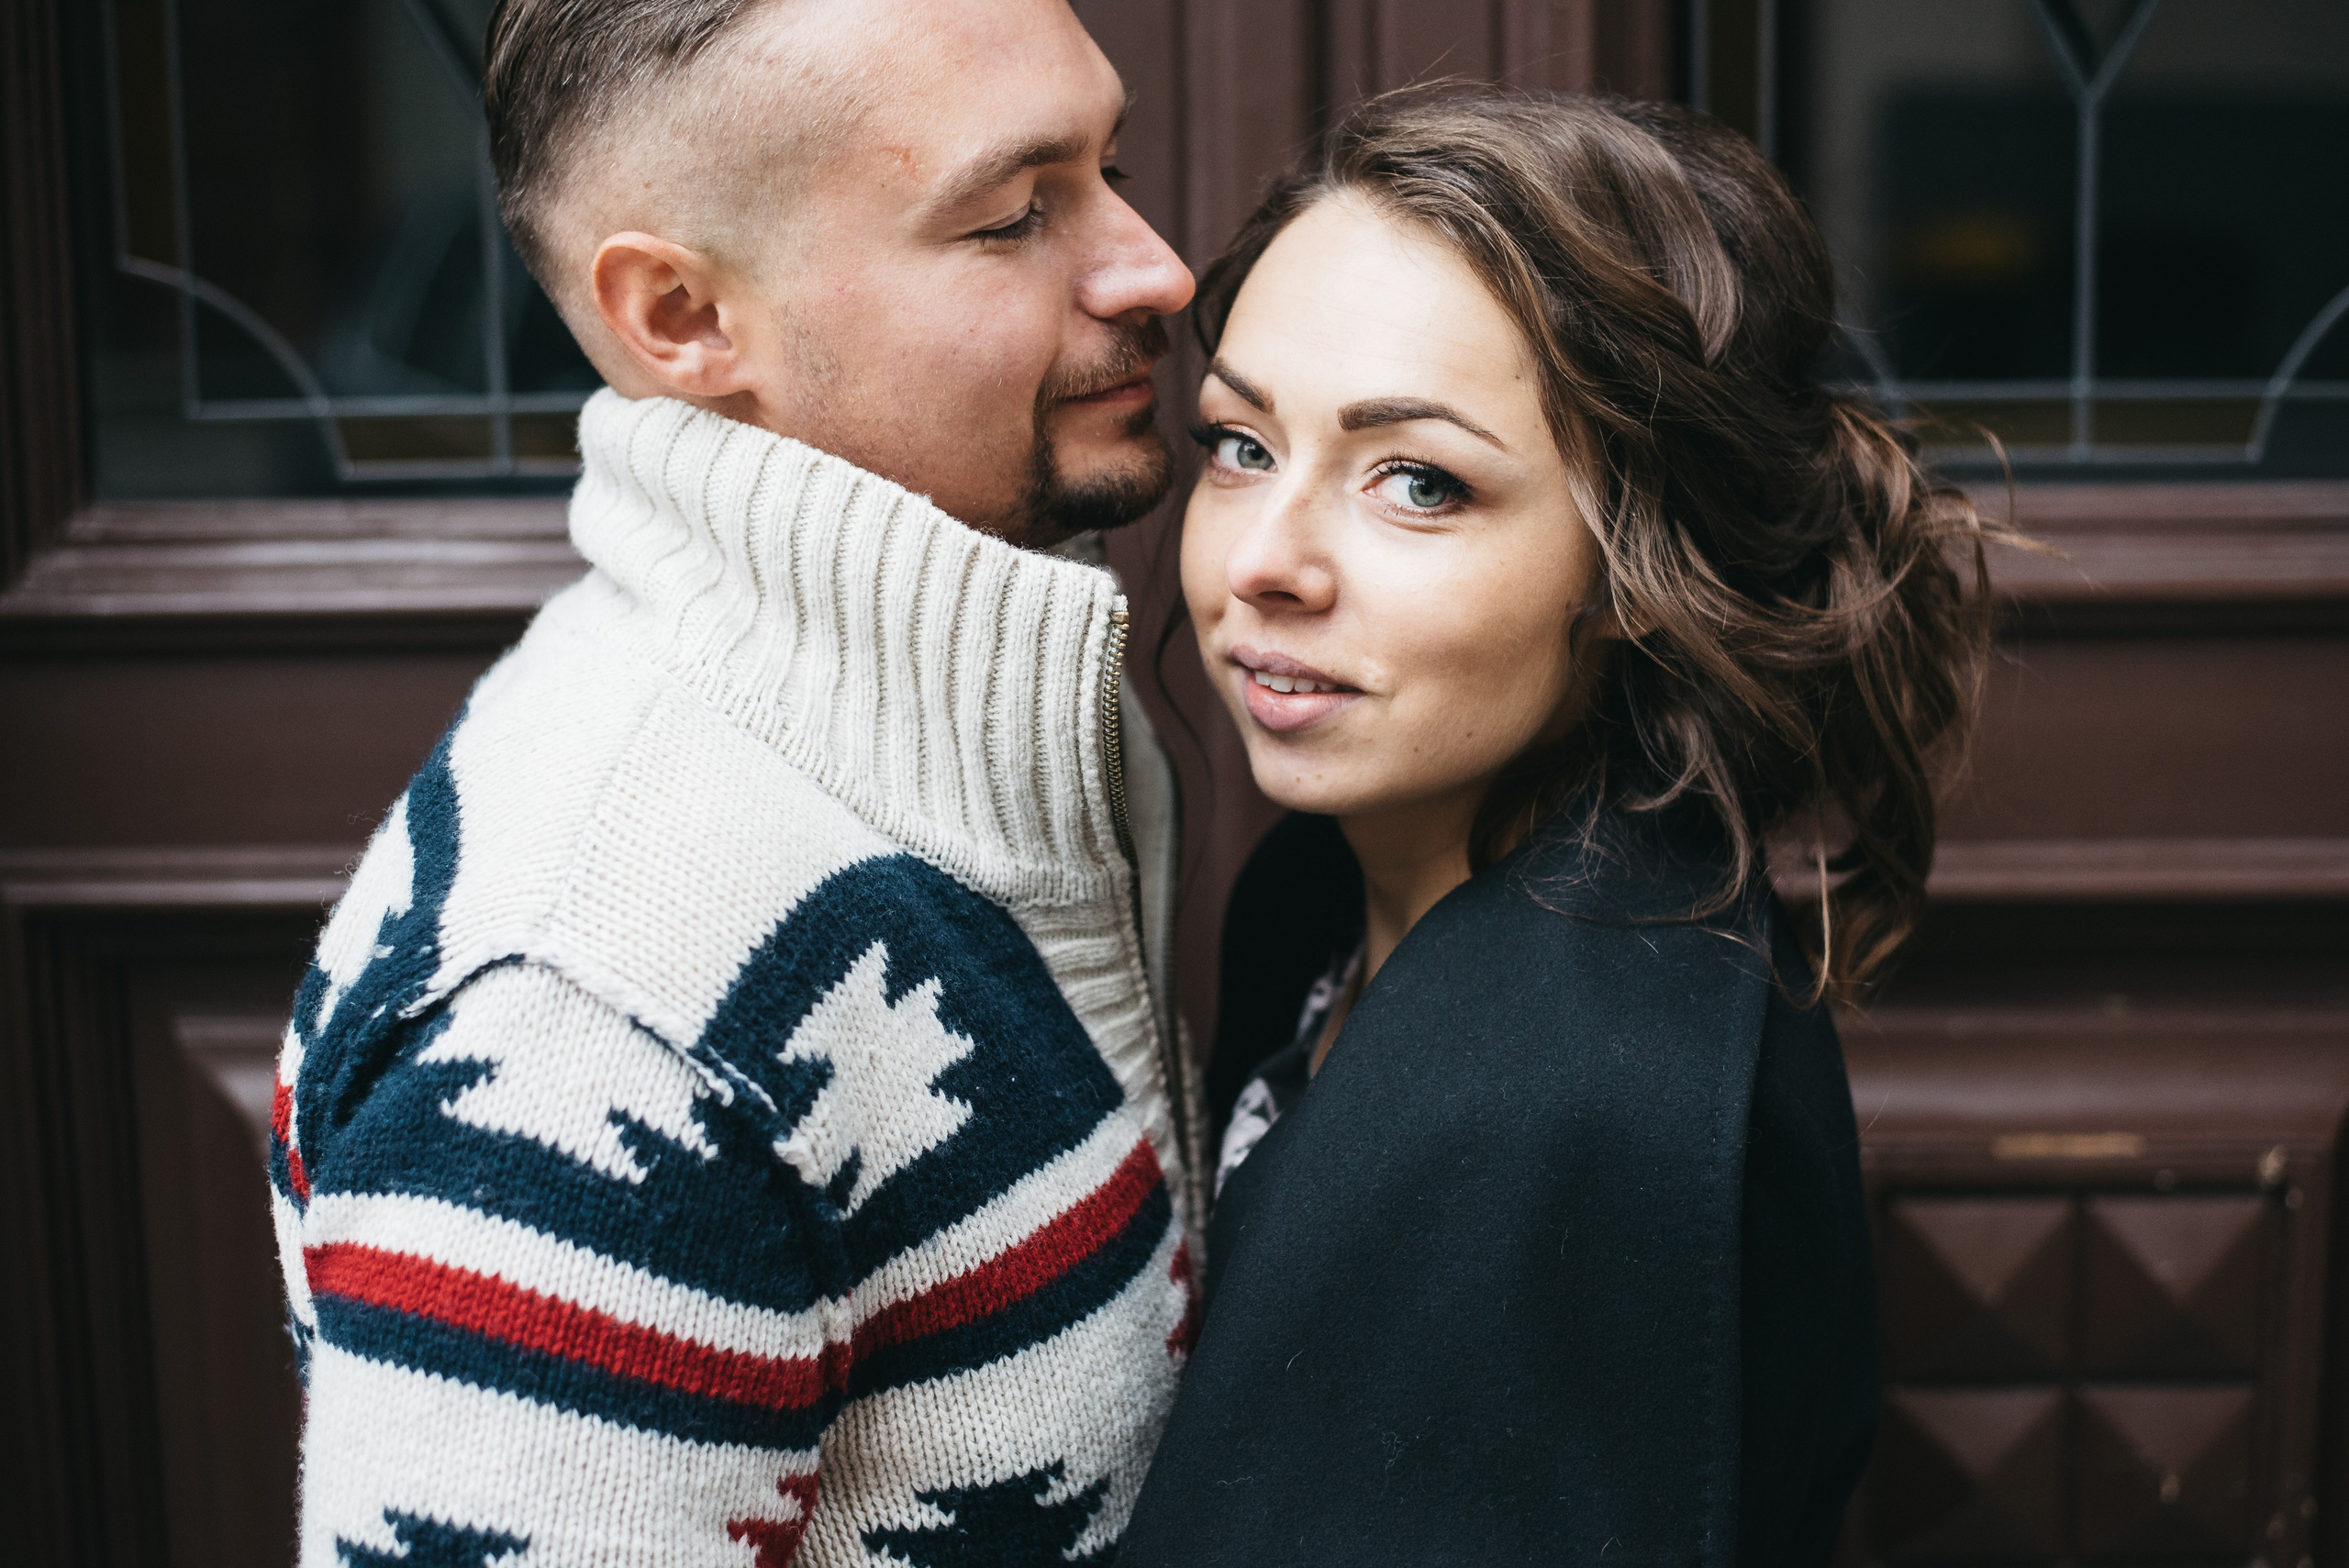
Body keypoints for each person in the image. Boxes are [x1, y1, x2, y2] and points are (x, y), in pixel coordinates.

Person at [266, 3, 1204, 1564]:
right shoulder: (588, 1009)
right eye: (1013, 213)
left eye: (1111, 165)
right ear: (684, 315)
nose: (1152, 264)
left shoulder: (1010, 703)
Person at [1118, 86, 2001, 1566]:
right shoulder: (1326, 888)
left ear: (1637, 561)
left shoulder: (1560, 1104)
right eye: (1240, 444)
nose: (1263, 562)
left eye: (1419, 481)